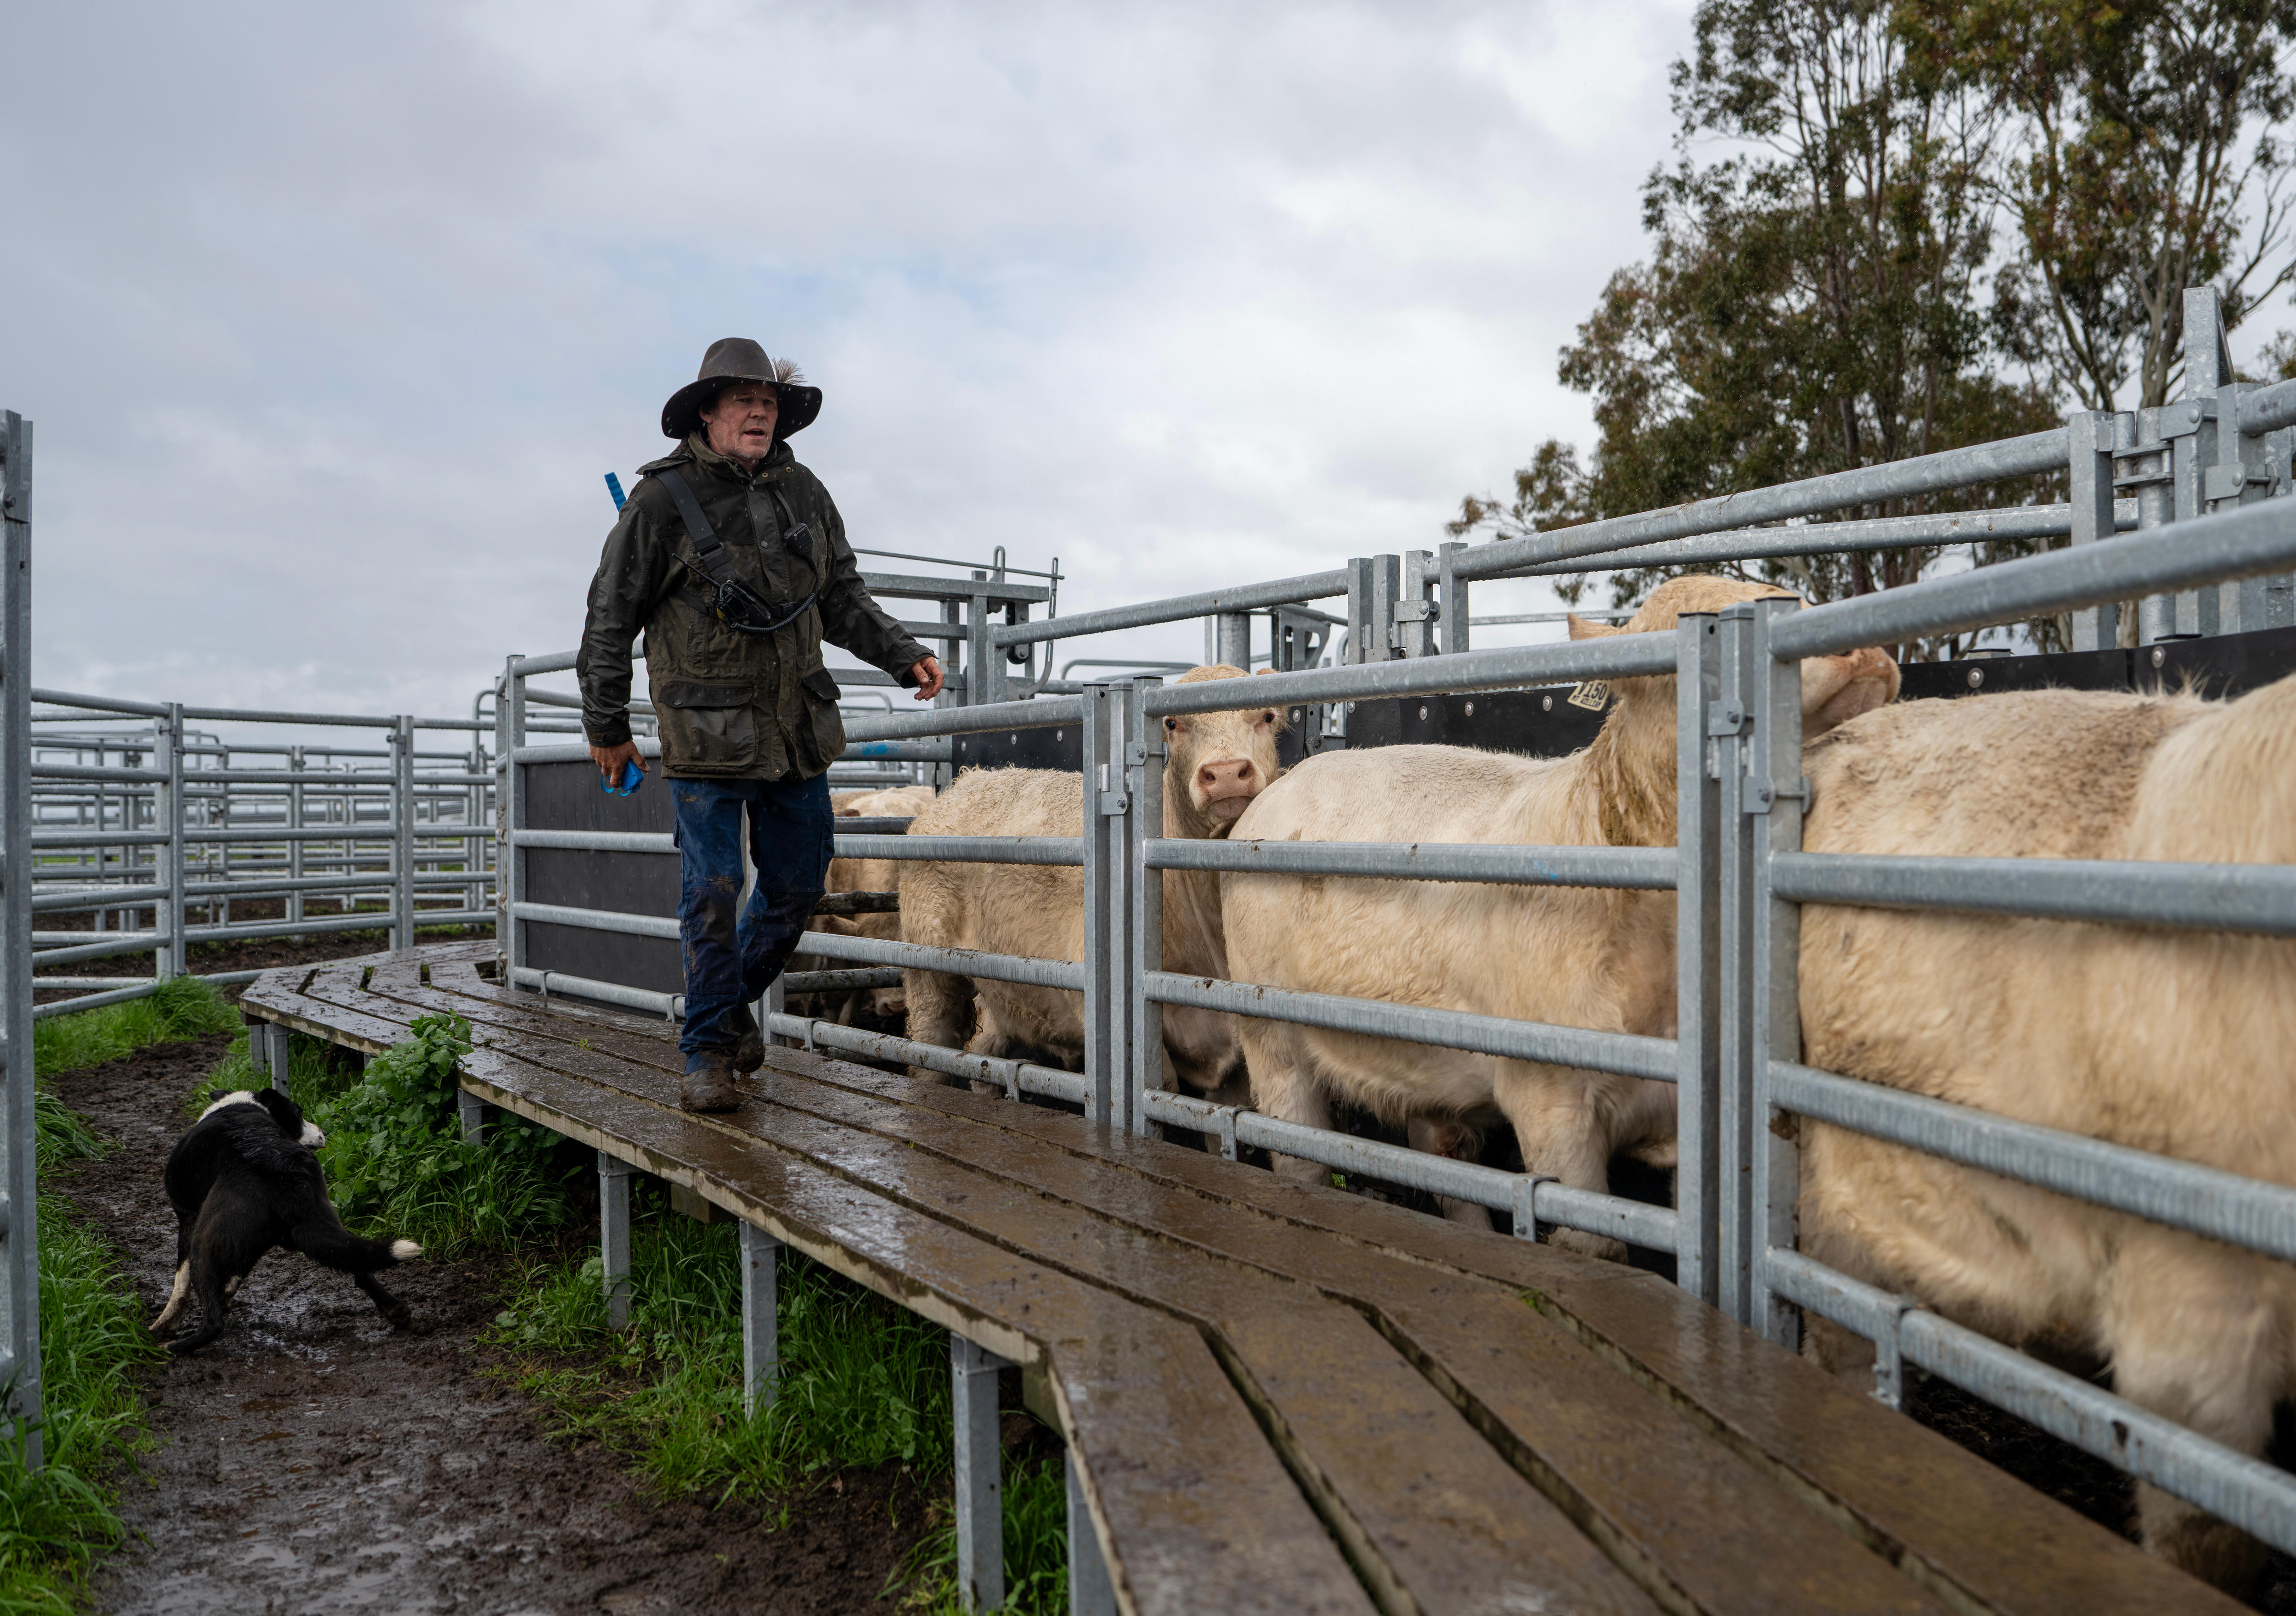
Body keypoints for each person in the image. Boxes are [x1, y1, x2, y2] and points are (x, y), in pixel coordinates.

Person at [577, 339, 942, 1112]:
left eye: (768, 403)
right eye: (742, 401)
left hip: (796, 729)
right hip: (705, 732)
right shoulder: (658, 502)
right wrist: (607, 726)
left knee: (799, 887)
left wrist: (901, 654)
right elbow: (610, 619)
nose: (758, 413)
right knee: (712, 887)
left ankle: (723, 1007)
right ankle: (706, 1052)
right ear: (707, 413)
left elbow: (841, 593)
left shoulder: (803, 491)